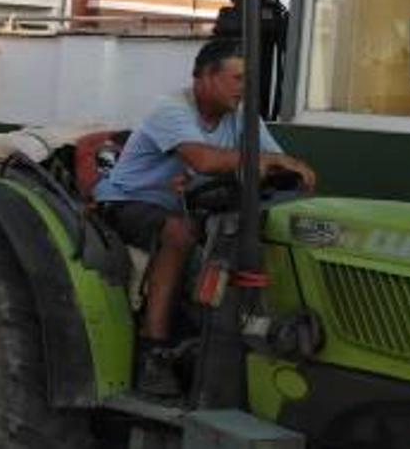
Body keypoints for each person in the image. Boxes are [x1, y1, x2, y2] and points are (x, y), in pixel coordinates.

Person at [92, 39, 316, 396]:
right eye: (238, 78)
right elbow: (204, 161)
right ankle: (154, 352)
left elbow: (279, 163)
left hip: (190, 206)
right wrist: (264, 162)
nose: (245, 88)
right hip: (129, 202)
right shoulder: (170, 108)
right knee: (179, 232)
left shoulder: (243, 118)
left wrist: (289, 168)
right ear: (204, 78)